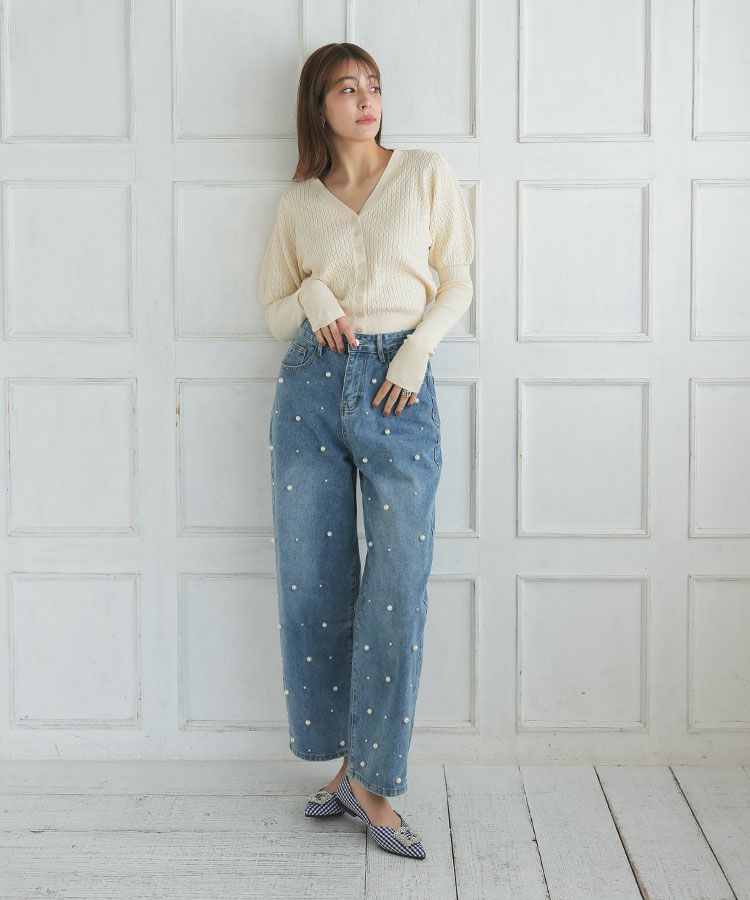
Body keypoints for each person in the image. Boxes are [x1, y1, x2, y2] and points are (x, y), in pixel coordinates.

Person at [259, 42, 474, 860]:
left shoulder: (424, 174)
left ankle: (375, 783)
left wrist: (416, 352)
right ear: (318, 105)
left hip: (398, 389)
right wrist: (312, 294)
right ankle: (347, 770)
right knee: (314, 580)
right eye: (347, 88)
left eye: (374, 86)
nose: (365, 99)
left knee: (397, 586)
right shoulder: (298, 203)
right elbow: (272, 310)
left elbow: (459, 279)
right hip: (311, 391)